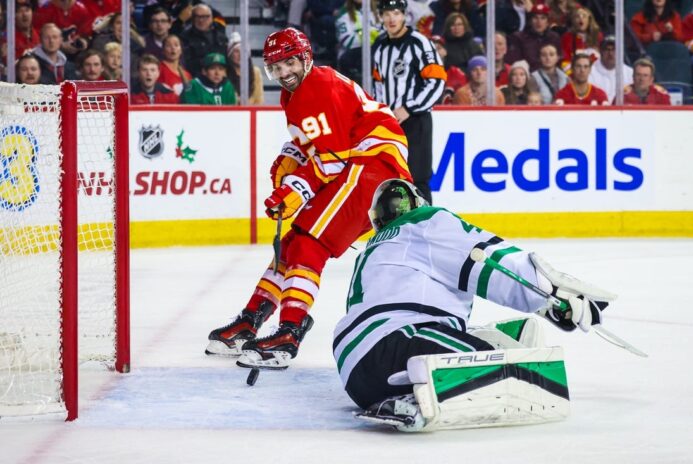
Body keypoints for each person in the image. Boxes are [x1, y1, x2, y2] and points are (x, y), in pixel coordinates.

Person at [206, 28, 412, 370]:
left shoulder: (319, 87)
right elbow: (315, 145)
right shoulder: (295, 95)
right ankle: (251, 320)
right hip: (358, 164)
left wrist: (294, 190)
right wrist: (291, 157)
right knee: (290, 245)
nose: (284, 73)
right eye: (276, 67)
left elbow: (331, 160)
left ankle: (289, 332)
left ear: (305, 58)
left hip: (371, 165)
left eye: (289, 63)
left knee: (309, 244)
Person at [335, 178, 615, 431]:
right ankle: (431, 387)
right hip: (397, 341)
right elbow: (486, 259)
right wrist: (552, 293)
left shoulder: (372, 251)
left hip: (356, 377)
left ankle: (416, 388)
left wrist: (543, 307)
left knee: (487, 342)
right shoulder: (424, 221)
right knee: (508, 372)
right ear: (418, 204)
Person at [372, 0, 445, 205]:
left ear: (404, 15)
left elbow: (437, 80)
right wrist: (381, 114)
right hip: (390, 124)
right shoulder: (380, 47)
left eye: (396, 13)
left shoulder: (419, 43)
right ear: (380, 17)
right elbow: (379, 86)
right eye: (387, 14)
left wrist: (409, 108)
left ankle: (425, 223)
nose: (391, 18)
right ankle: (397, 223)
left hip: (416, 120)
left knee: (418, 179)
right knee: (391, 180)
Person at [506, 3, 561, 73]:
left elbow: (559, 60)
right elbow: (514, 63)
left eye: (543, 18)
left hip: (550, 75)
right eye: (535, 18)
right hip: (527, 76)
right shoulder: (519, 38)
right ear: (530, 20)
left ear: (548, 22)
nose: (539, 22)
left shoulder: (554, 37)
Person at [335, 0, 380, 83]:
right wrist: (371, 35)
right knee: (373, 58)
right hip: (352, 54)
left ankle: (380, 85)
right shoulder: (344, 13)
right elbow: (347, 41)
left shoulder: (378, 10)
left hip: (375, 50)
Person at [180, 4, 229, 77]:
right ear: (192, 18)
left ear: (211, 18)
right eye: (197, 17)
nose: (201, 20)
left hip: (219, 78)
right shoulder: (184, 37)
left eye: (205, 17)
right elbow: (184, 63)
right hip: (195, 78)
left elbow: (226, 61)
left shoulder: (221, 37)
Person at [588, 36, 634, 104]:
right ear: (601, 52)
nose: (610, 53)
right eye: (607, 49)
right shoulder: (589, 72)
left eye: (614, 49)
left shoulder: (630, 73)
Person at [226, 32, 264, 104]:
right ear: (230, 54)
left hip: (251, 109)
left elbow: (259, 100)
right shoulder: (224, 72)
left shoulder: (256, 72)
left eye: (243, 51)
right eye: (236, 51)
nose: (240, 55)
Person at [432, 34, 468, 103]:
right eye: (432, 49)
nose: (435, 52)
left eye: (439, 48)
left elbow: (464, 98)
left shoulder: (455, 73)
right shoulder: (419, 75)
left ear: (445, 52)